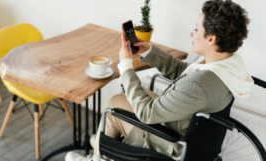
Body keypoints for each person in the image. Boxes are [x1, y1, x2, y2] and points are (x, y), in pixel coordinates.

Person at [66, 0, 253, 160]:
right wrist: (148, 51)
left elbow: (147, 114)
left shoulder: (199, 85)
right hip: (188, 128)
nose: (191, 33)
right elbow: (185, 73)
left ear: (211, 39)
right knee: (122, 98)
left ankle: (99, 155)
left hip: (172, 141)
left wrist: (125, 65)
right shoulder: (227, 62)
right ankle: (102, 143)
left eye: (196, 29)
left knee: (112, 109)